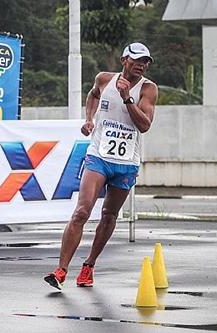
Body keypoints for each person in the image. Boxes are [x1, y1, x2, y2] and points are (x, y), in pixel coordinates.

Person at [44, 42, 158, 290]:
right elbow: (93, 94)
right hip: (99, 156)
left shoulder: (148, 89)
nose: (141, 65)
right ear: (123, 60)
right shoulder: (104, 79)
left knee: (109, 215)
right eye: (137, 59)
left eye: (145, 61)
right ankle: (60, 270)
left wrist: (127, 97)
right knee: (82, 211)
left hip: (126, 163)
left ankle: (89, 265)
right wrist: (89, 119)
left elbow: (145, 125)